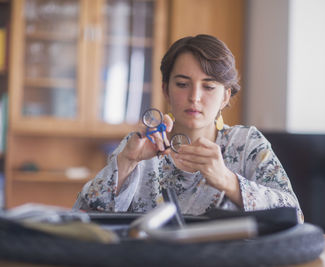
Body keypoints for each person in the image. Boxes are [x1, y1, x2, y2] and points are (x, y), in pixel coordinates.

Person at [74, 34, 304, 222]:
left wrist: (227, 180)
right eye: (183, 84)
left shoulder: (247, 144)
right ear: (166, 90)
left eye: (209, 87)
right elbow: (81, 219)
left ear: (225, 96)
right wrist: (126, 163)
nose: (194, 97)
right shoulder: (141, 144)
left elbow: (294, 216)